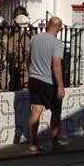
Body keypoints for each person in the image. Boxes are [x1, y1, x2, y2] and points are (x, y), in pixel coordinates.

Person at [26, 16, 66, 153]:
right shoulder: (57, 44)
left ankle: (33, 144)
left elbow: (28, 60)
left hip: (34, 80)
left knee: (36, 110)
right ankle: (54, 143)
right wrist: (60, 85)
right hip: (49, 83)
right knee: (56, 112)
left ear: (47, 26)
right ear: (59, 29)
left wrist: (31, 74)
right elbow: (56, 65)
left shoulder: (34, 39)